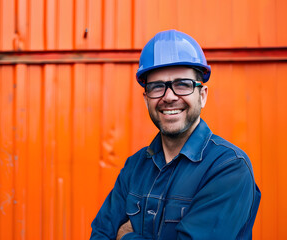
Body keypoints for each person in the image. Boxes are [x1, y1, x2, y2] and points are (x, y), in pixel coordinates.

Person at [90, 30, 261, 240]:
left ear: (203, 95)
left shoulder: (229, 168)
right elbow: (99, 235)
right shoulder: (135, 167)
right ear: (146, 99)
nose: (169, 97)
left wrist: (125, 236)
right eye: (157, 87)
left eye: (182, 84)